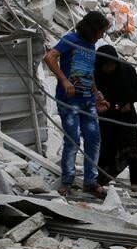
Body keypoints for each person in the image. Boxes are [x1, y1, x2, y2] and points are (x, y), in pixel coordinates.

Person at [43, 11, 110, 198]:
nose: (102, 35)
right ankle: (67, 181)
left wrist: (97, 94)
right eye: (101, 31)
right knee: (72, 140)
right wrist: (64, 80)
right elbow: (50, 57)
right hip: (69, 100)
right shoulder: (71, 39)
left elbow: (89, 72)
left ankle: (90, 181)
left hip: (88, 100)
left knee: (94, 139)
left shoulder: (91, 45)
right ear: (92, 28)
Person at [95, 44, 137, 191]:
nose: (109, 68)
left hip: (126, 116)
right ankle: (102, 181)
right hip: (106, 117)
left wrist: (126, 102)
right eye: (106, 65)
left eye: (112, 64)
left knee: (132, 150)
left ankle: (135, 184)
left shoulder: (127, 70)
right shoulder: (96, 74)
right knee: (107, 150)